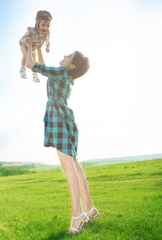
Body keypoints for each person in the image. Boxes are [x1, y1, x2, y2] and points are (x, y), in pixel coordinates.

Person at [24, 37, 99, 234]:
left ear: (71, 65)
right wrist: (39, 48)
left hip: (57, 116)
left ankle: (77, 215)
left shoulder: (62, 72)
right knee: (75, 165)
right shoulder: (66, 75)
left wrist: (28, 45)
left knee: (68, 168)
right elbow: (43, 67)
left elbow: (31, 65)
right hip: (66, 116)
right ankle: (90, 208)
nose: (64, 56)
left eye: (68, 56)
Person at [19, 10, 52, 83]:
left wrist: (47, 47)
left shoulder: (46, 33)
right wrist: (26, 39)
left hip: (33, 48)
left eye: (48, 26)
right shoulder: (32, 30)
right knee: (25, 55)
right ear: (38, 23)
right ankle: (22, 69)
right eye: (43, 25)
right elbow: (23, 37)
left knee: (33, 62)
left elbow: (47, 41)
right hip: (25, 45)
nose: (45, 28)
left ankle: (34, 75)